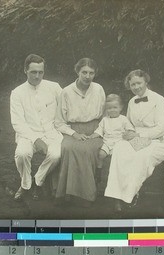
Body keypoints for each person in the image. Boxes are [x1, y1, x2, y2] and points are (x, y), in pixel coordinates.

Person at [104, 69, 164, 212]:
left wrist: (136, 134)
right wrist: (129, 133)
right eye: (133, 84)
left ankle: (130, 194)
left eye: (139, 83)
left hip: (158, 141)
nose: (136, 87)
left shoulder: (159, 100)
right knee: (119, 149)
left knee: (140, 156)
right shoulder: (131, 102)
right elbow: (130, 125)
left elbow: (160, 129)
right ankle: (116, 197)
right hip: (137, 139)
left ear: (146, 82)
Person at [10, 54, 63, 201]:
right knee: (22, 153)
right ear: (25, 71)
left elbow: (66, 107)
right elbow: (17, 122)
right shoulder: (17, 93)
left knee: (56, 154)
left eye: (41, 72)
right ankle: (25, 184)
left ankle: (37, 181)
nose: (37, 76)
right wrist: (36, 139)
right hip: (28, 134)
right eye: (33, 72)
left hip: (52, 132)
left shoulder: (54, 87)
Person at [54, 58, 106, 206]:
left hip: (94, 130)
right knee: (67, 148)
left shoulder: (98, 89)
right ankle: (67, 192)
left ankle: (85, 196)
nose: (88, 76)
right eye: (84, 72)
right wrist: (74, 134)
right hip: (73, 130)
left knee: (85, 150)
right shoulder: (66, 91)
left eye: (91, 73)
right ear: (77, 72)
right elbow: (59, 121)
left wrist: (99, 132)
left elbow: (104, 116)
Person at [89, 94, 135, 170]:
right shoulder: (105, 120)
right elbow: (99, 131)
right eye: (109, 108)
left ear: (120, 108)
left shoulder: (123, 119)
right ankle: (99, 170)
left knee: (117, 157)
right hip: (107, 142)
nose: (112, 110)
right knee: (101, 154)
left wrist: (128, 133)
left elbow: (130, 130)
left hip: (119, 142)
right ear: (106, 109)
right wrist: (92, 136)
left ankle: (117, 170)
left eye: (115, 107)